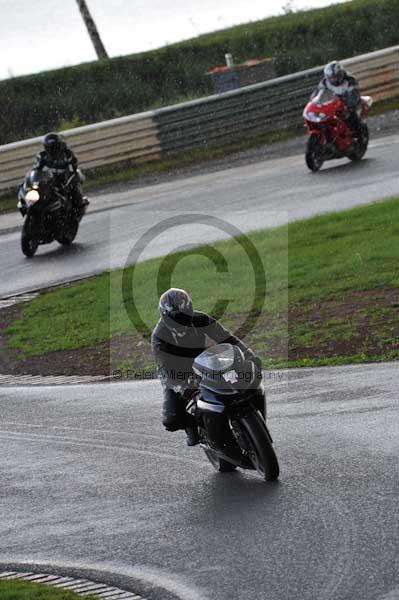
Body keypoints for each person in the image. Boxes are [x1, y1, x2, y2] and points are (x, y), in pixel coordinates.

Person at [151, 288, 265, 446]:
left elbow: (227, 338)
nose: (180, 320)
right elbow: (164, 369)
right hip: (177, 372)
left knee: (242, 378)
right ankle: (191, 427)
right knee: (172, 419)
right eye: (175, 317)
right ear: (165, 317)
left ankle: (246, 414)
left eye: (183, 315)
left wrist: (249, 354)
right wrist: (181, 386)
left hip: (206, 361)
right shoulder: (159, 335)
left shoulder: (201, 319)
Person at [32, 132, 88, 209]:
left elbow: (74, 166)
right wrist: (34, 179)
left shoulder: (67, 153)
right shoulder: (42, 156)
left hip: (65, 177)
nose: (53, 150)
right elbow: (36, 169)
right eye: (50, 147)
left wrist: (72, 173)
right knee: (38, 187)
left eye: (54, 147)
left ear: (59, 145)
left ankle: (78, 200)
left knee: (74, 181)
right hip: (51, 177)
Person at [313, 61, 362, 137]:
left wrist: (348, 105)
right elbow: (316, 93)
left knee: (351, 116)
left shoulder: (350, 80)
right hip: (333, 103)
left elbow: (354, 96)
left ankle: (358, 135)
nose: (334, 80)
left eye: (335, 77)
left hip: (349, 103)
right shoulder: (324, 82)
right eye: (331, 78)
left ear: (341, 74)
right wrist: (314, 102)